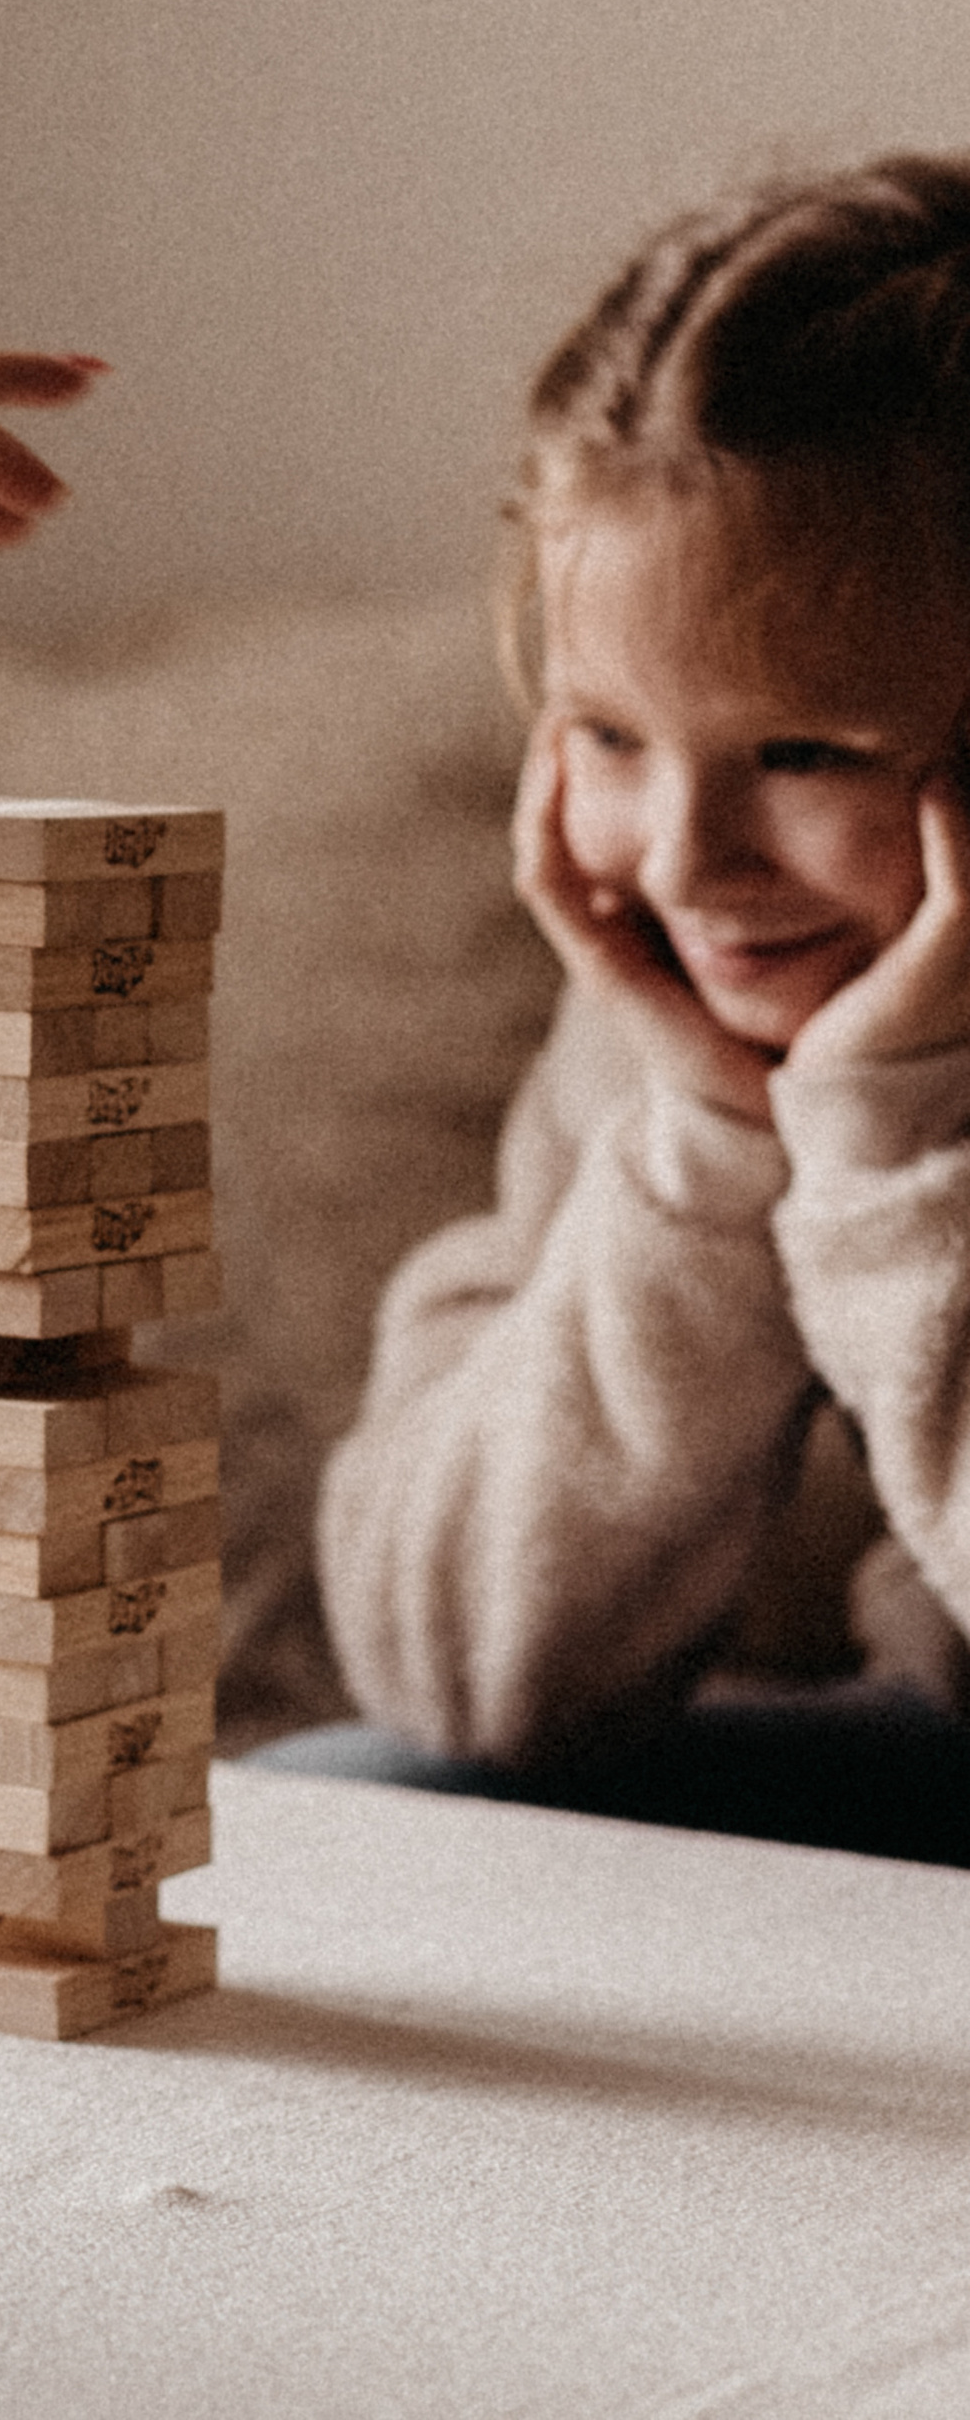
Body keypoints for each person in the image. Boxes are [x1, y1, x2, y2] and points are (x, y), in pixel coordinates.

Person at [306, 157, 970, 1858]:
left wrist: (892, 1147)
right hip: (905, 1769)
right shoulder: (679, 1001)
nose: (685, 858)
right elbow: (450, 1671)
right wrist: (709, 1152)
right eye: (609, 739)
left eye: (803, 752)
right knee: (334, 1822)